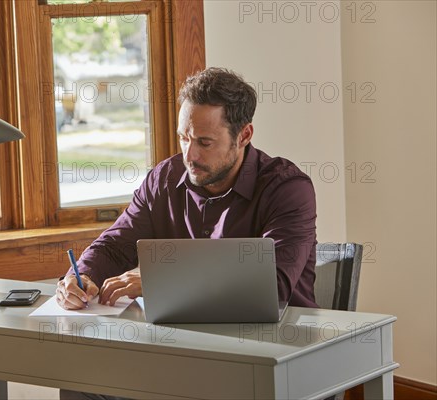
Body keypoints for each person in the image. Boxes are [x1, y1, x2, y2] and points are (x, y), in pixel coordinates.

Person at [56, 67, 318, 399]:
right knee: (82, 379)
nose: (190, 154)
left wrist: (160, 279)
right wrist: (81, 276)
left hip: (272, 355)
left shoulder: (288, 188)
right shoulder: (163, 179)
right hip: (185, 352)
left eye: (205, 142)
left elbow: (273, 285)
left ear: (244, 135)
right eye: (184, 137)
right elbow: (116, 246)